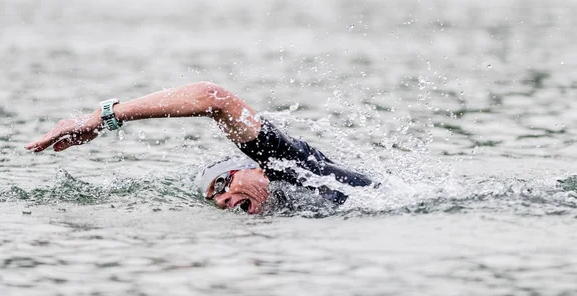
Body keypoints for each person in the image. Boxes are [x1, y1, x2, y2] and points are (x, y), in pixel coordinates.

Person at [26, 82, 374, 214]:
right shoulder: (284, 208)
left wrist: (101, 118)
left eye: (222, 186)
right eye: (215, 199)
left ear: (253, 168)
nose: (222, 201)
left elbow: (214, 97)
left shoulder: (288, 164)